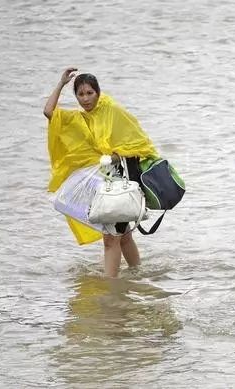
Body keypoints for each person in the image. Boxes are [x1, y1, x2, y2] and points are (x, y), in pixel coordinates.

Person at [44, 67, 158, 278]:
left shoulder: (112, 110)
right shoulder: (81, 119)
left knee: (111, 238)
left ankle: (112, 289)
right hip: (97, 184)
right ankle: (138, 276)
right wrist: (61, 84)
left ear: (98, 92)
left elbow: (139, 143)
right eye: (80, 94)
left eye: (90, 93)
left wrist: (114, 156)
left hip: (117, 181)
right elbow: (49, 112)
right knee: (122, 236)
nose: (86, 99)